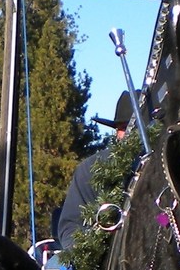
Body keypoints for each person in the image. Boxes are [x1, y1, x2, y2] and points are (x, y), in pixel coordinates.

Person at [57, 91, 133, 250]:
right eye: (125, 128)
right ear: (117, 131)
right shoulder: (90, 170)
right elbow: (70, 229)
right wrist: (99, 237)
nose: (131, 134)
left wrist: (161, 222)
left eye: (139, 127)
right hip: (107, 266)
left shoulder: (165, 167)